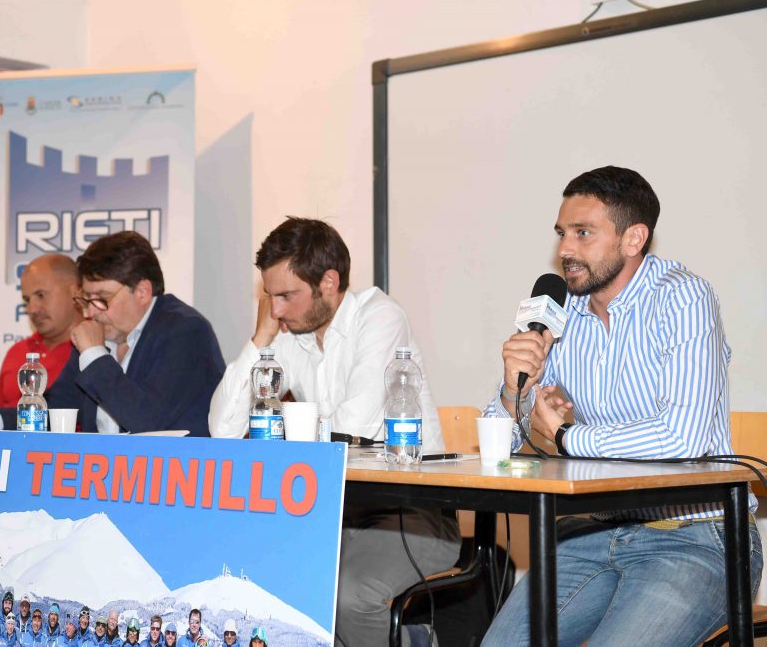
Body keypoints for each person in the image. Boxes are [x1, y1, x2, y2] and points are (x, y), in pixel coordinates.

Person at [480, 166, 764, 646]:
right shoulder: (561, 313)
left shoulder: (682, 297)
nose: (565, 250)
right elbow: (497, 448)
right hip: (594, 530)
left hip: (695, 535)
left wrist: (567, 437)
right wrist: (514, 390)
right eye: (562, 234)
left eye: (583, 233)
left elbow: (684, 439)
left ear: (634, 238)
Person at [208, 217, 460, 647]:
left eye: (286, 296)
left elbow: (351, 430)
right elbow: (224, 430)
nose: (276, 310)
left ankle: (416, 642)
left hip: (412, 516)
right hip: (331, 511)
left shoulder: (379, 317)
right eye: (270, 297)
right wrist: (261, 338)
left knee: (346, 596)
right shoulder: (289, 334)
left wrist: (286, 436)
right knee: (259, 583)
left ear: (328, 282)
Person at [0, 231, 225, 435]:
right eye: (87, 299)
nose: (91, 311)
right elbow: (53, 410)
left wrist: (94, 354)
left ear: (142, 292)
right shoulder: (101, 333)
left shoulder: (185, 332)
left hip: (174, 468)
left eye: (102, 299)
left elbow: (147, 422)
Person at [0, 254, 83, 406]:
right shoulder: (16, 353)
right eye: (27, 300)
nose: (32, 309)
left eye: (41, 295)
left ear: (76, 292)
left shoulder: (97, 350)